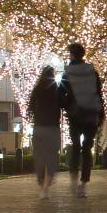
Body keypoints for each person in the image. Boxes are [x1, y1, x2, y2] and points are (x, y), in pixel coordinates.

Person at [58, 42, 105, 197]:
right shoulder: (92, 71)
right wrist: (101, 115)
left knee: (76, 146)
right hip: (91, 114)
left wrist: (66, 106)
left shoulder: (68, 72)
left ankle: (73, 179)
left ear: (72, 54)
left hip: (75, 115)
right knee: (87, 148)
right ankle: (83, 184)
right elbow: (99, 94)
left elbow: (60, 94)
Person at [29, 65, 63, 195]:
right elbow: (63, 104)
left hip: (39, 127)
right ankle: (47, 183)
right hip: (53, 127)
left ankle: (41, 180)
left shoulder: (37, 89)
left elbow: (30, 107)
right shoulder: (56, 89)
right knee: (52, 155)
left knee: (39, 155)